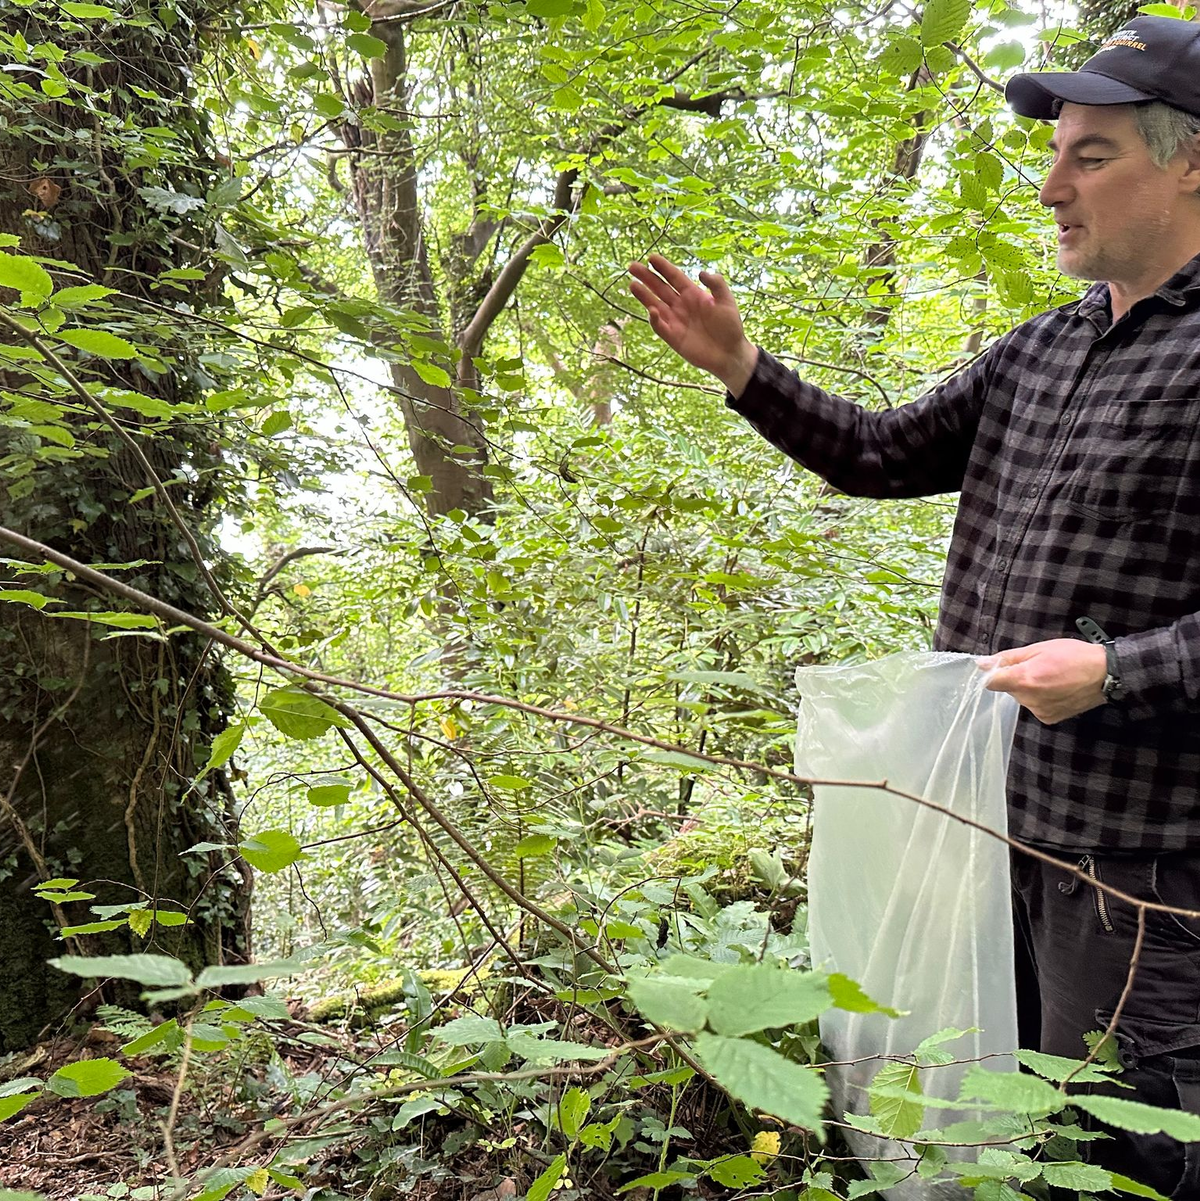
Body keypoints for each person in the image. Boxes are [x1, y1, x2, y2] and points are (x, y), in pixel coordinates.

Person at [629, 15, 1200, 1196]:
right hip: (997, 821)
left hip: (1145, 861)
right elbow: (881, 455)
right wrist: (744, 369)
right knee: (1012, 1118)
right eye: (1055, 156)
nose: (1051, 187)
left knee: (1133, 1143)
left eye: (1090, 158)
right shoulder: (1044, 346)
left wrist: (1115, 670)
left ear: (1191, 162)